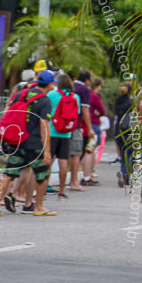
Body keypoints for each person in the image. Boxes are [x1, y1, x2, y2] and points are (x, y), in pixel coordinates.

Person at [0, 70, 56, 217]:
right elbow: (44, 125)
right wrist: (47, 150)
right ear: (51, 84)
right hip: (34, 143)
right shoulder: (45, 101)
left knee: (8, 173)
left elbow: (8, 112)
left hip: (16, 140)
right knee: (42, 174)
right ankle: (38, 207)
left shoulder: (21, 94)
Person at [47, 73, 79, 201]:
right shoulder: (75, 97)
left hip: (52, 130)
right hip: (66, 133)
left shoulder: (52, 95)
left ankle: (44, 188)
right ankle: (61, 191)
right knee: (63, 161)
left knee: (49, 160)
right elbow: (77, 113)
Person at [69, 69, 94, 191]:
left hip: (61, 124)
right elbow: (85, 110)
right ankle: (74, 182)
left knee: (60, 155)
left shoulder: (70, 85)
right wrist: (90, 129)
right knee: (76, 154)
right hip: (76, 125)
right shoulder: (84, 90)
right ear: (87, 80)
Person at [83, 77, 106, 185]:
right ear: (98, 86)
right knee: (91, 150)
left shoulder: (87, 94)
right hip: (94, 123)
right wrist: (99, 114)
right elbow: (102, 110)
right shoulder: (95, 96)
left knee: (87, 150)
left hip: (85, 124)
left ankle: (85, 173)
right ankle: (89, 174)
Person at [114, 81, 135, 187]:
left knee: (123, 154)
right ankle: (126, 176)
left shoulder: (118, 101)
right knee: (130, 154)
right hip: (129, 130)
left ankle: (123, 172)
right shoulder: (131, 103)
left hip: (118, 129)